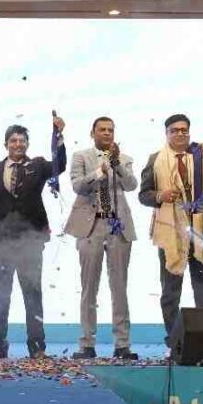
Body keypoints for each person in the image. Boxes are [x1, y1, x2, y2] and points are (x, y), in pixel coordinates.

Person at [0, 116, 66, 359]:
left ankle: (37, 347)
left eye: (22, 141)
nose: (18, 144)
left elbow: (59, 165)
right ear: (6, 144)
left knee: (33, 294)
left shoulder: (38, 166)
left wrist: (58, 137)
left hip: (30, 241)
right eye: (13, 140)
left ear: (27, 144)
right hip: (0, 243)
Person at [139, 114, 203, 346]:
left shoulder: (201, 155)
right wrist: (160, 195)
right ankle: (175, 342)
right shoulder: (155, 159)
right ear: (167, 133)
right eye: (175, 130)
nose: (180, 133)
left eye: (184, 130)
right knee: (171, 293)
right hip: (170, 233)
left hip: (200, 232)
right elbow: (143, 195)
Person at [64, 117, 138, 360]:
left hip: (118, 226)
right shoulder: (81, 156)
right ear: (92, 133)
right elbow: (77, 186)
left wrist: (116, 164)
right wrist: (99, 172)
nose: (107, 133)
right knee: (89, 287)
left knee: (120, 287)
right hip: (91, 225)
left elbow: (131, 185)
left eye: (111, 130)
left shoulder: (124, 158)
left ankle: (122, 344)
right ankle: (86, 343)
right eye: (102, 129)